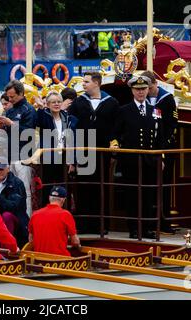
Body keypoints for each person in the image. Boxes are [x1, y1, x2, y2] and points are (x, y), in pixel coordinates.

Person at [112, 76, 164, 239]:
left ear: (148, 90)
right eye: (137, 89)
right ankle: (134, 228)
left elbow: (158, 136)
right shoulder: (123, 110)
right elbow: (115, 133)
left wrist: (160, 156)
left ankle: (147, 227)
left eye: (143, 89)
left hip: (150, 160)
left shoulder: (156, 110)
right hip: (130, 161)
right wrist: (116, 148)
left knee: (148, 194)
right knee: (132, 194)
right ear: (132, 91)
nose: (140, 92)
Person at [68, 71, 120, 234]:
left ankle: (100, 225)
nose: (83, 84)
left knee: (101, 187)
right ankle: (84, 224)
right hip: (84, 149)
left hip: (102, 150)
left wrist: (113, 146)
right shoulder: (78, 102)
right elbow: (72, 127)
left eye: (86, 82)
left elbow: (115, 127)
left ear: (96, 83)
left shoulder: (111, 103)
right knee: (84, 187)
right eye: (83, 82)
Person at [141, 70, 179, 234]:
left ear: (155, 84)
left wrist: (162, 149)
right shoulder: (142, 100)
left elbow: (172, 126)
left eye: (148, 87)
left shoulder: (167, 99)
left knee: (164, 187)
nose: (145, 91)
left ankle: (164, 221)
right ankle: (148, 222)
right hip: (147, 150)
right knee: (147, 187)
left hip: (165, 149)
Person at [0, 80, 37, 216]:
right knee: (10, 188)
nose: (10, 99)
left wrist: (11, 124)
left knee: (25, 189)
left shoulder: (29, 109)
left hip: (25, 156)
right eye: (8, 97)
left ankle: (27, 220)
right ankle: (12, 219)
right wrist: (3, 127)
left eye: (12, 96)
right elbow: (9, 133)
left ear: (21, 94)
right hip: (10, 155)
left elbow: (28, 133)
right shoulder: (10, 110)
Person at [36, 91, 77, 206]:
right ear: (48, 104)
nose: (56, 104)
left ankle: (63, 212)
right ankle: (46, 212)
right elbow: (39, 122)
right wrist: (40, 107)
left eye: (59, 101)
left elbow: (73, 141)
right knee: (46, 187)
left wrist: (72, 160)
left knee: (64, 187)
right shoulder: (45, 116)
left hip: (64, 158)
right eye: (53, 102)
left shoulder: (69, 118)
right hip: (49, 157)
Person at [0, 157, 28, 248]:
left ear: (8, 169)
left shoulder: (17, 183)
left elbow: (13, 207)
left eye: (1, 169)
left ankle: (7, 251)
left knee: (6, 216)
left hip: (16, 221)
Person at [29, 186, 80, 256]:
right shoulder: (66, 215)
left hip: (39, 260)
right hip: (60, 260)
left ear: (49, 198)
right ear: (63, 200)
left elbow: (31, 240)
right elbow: (75, 241)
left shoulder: (35, 214)